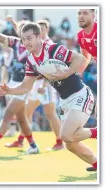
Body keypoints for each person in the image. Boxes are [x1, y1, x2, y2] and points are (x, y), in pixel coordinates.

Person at [0, 22, 97, 171]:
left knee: (66, 135)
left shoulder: (52, 49)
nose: (26, 42)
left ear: (39, 37)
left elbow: (79, 59)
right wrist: (9, 90)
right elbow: (25, 87)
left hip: (80, 95)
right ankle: (98, 164)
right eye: (23, 39)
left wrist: (66, 73)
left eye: (29, 38)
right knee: (70, 144)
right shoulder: (31, 61)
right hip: (65, 101)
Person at [6, 19, 64, 150]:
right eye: (39, 29)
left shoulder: (49, 45)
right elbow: (21, 31)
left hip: (46, 84)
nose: (41, 31)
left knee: (50, 114)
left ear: (46, 30)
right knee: (27, 113)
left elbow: (50, 69)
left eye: (43, 29)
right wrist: (13, 22)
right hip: (33, 84)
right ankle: (21, 140)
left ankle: (60, 142)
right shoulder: (35, 44)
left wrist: (44, 85)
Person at [0, 23, 39, 154]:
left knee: (8, 114)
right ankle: (33, 146)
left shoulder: (35, 47)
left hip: (24, 85)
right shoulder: (14, 42)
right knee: (21, 119)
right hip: (12, 82)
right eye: (21, 28)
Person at [77, 9, 97, 171]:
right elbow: (86, 57)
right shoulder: (81, 36)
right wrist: (77, 74)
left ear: (94, 15)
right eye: (79, 13)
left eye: (85, 13)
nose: (81, 16)